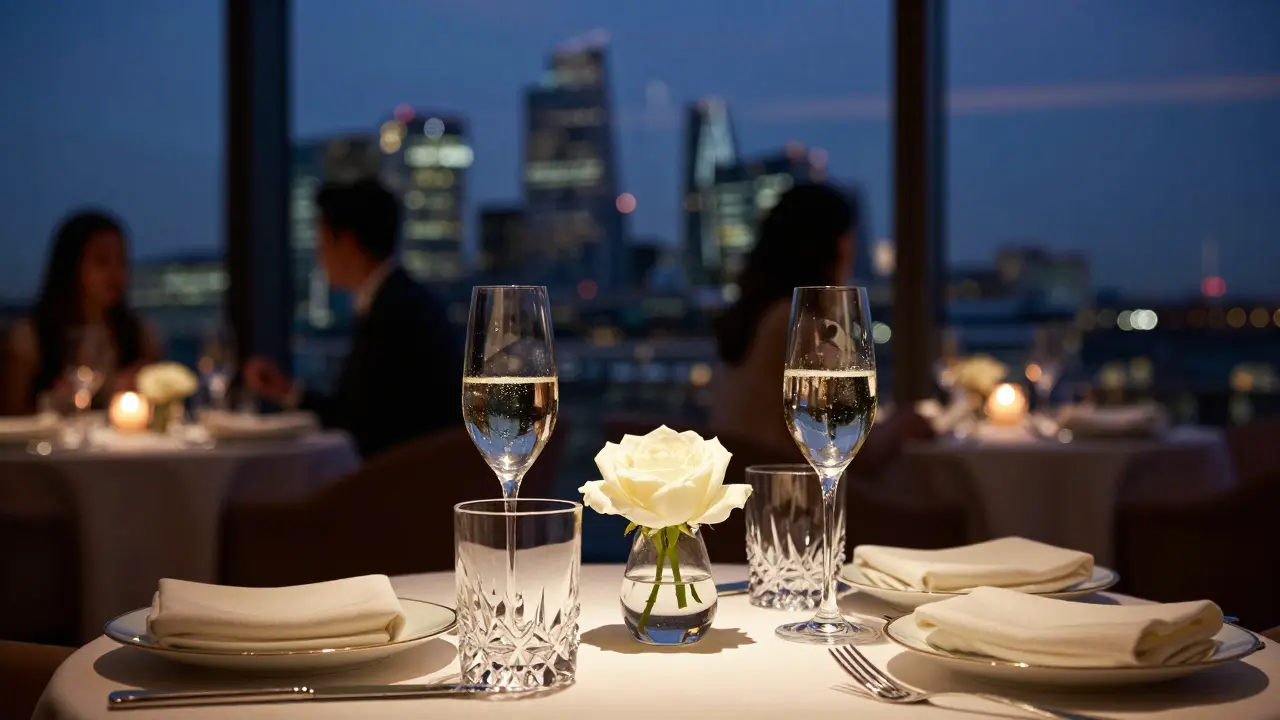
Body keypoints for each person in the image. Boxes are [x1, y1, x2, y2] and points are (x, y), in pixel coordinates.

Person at [710, 183, 932, 476]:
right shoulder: (800, 326)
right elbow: (842, 445)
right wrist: (905, 424)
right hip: (791, 494)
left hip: (744, 487)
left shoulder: (757, 316)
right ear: (837, 246)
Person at [243, 178, 460, 458]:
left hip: (398, 485)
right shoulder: (400, 301)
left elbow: (361, 424)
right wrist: (286, 391)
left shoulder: (393, 314)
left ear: (345, 242)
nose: (320, 257)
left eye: (321, 242)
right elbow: (357, 412)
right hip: (419, 476)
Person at [2, 210, 160, 416]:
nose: (116, 273)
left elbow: (162, 410)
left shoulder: (141, 336)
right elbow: (9, 417)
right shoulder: (29, 339)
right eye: (102, 261)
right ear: (71, 265)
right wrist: (50, 404)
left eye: (122, 261)